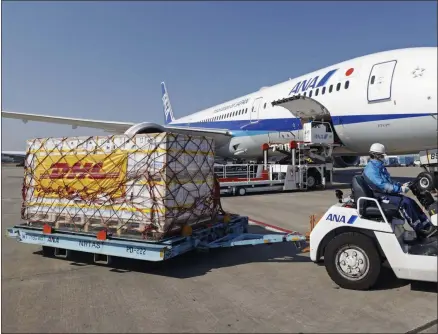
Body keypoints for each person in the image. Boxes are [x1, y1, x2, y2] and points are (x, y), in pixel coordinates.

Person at [362, 143, 435, 238]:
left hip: (384, 194)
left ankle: (426, 225)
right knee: (405, 203)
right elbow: (383, 186)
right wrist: (399, 189)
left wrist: (400, 185)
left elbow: (389, 181)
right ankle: (419, 229)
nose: (383, 157)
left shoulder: (378, 167)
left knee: (411, 201)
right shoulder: (371, 170)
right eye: (382, 155)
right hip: (379, 196)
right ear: (377, 155)